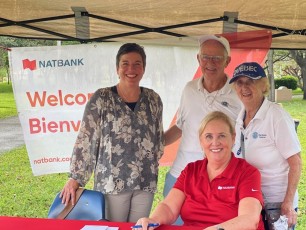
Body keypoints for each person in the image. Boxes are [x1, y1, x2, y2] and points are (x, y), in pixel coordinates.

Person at [59, 43, 164, 222]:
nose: (131, 69)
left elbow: (157, 139)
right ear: (117, 68)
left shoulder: (153, 100)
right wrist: (76, 177)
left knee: (138, 228)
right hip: (112, 182)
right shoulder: (102, 98)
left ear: (144, 68)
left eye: (137, 64)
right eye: (125, 63)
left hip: (145, 182)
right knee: (113, 227)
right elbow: (86, 139)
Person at [134, 111, 264, 230]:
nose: (215, 142)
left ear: (233, 138)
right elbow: (169, 208)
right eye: (208, 137)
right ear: (201, 141)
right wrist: (152, 220)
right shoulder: (191, 170)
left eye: (222, 136)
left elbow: (249, 220)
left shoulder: (247, 173)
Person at [163, 35, 241, 225]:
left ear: (227, 61)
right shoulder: (189, 89)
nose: (210, 63)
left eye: (216, 58)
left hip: (220, 178)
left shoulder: (238, 92)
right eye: (205, 57)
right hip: (181, 174)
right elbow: (182, 125)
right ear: (198, 59)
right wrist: (156, 142)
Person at [229, 62, 302, 229]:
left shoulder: (276, 116)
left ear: (263, 85)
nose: (244, 87)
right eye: (239, 82)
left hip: (276, 204)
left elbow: (296, 162)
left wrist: (288, 203)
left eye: (250, 81)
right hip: (250, 201)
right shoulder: (240, 118)